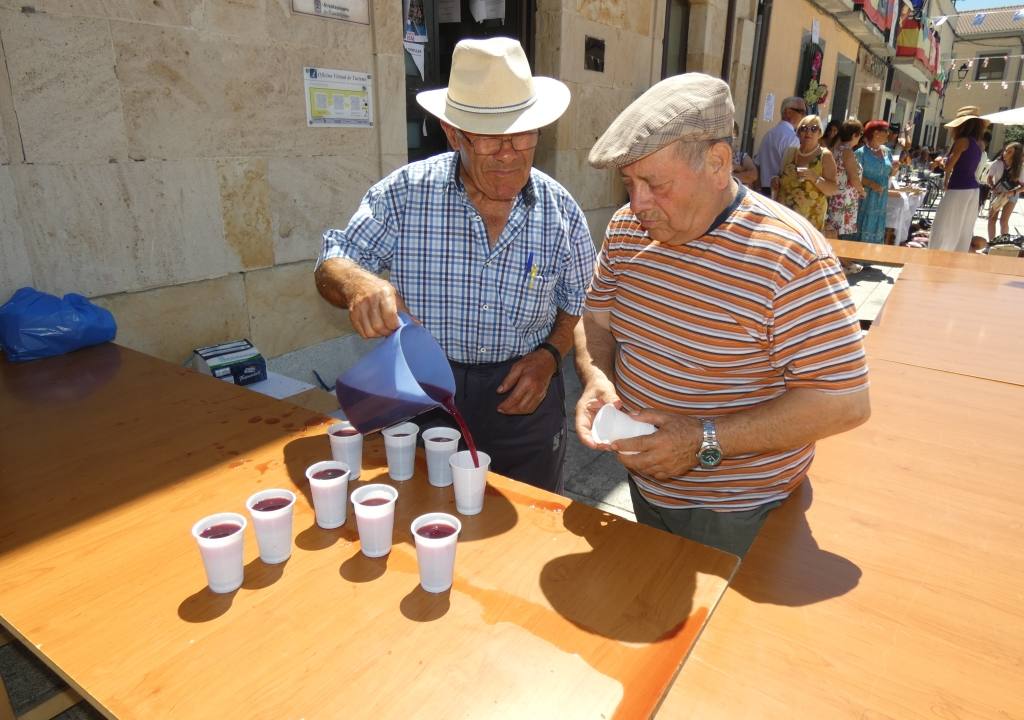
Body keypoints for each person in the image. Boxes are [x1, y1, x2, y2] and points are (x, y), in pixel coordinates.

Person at [574, 73, 871, 557]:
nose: (637, 203)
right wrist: (597, 377)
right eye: (629, 183)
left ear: (717, 163)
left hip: (739, 510)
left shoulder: (790, 256)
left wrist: (704, 440)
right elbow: (596, 319)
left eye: (654, 183)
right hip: (646, 490)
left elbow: (844, 402)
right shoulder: (628, 229)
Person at [314, 37, 597, 493]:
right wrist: (356, 283)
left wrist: (549, 356)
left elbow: (575, 302)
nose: (509, 152)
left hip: (524, 395)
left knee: (529, 522)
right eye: (489, 137)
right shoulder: (406, 194)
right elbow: (334, 260)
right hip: (419, 391)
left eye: (523, 133)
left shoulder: (561, 211)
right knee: (418, 512)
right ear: (453, 133)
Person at [931, 106, 987, 252]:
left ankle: (936, 257)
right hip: (973, 190)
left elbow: (949, 166)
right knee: (964, 228)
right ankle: (957, 258)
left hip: (959, 189)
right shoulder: (979, 143)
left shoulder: (962, 141)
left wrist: (940, 162)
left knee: (943, 225)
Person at [772, 114, 839, 232]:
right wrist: (775, 180)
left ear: (820, 133)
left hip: (810, 219)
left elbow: (833, 189)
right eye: (804, 128)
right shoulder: (790, 152)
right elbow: (780, 176)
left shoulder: (824, 155)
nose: (809, 132)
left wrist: (815, 178)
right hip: (785, 216)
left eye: (814, 128)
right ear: (798, 133)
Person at [854, 120, 897, 244]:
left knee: (877, 222)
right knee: (862, 222)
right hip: (865, 196)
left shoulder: (887, 152)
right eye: (886, 132)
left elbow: (888, 174)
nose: (888, 134)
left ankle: (872, 254)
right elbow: (854, 175)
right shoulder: (861, 153)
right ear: (876, 133)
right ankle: (857, 255)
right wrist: (871, 184)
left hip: (881, 197)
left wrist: (894, 170)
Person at [754, 96, 806, 196]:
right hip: (780, 193)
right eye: (801, 112)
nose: (803, 117)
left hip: (763, 192)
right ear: (788, 112)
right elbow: (791, 171)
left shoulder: (768, 134)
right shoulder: (792, 138)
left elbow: (757, 164)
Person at [826, 119, 865, 240]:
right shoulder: (847, 152)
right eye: (860, 134)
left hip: (835, 194)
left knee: (833, 230)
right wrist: (861, 191)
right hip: (844, 198)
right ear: (854, 135)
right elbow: (853, 177)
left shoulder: (836, 148)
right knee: (838, 234)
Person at [986, 142, 1024, 242]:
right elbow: (989, 178)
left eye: (1009, 151)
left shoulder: (1020, 167)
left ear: (1016, 155)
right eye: (1006, 150)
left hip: (1012, 195)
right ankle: (991, 243)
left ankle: (1003, 244)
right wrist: (992, 187)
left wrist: (1011, 193)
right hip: (997, 193)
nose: (1005, 153)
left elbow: (1023, 187)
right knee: (991, 219)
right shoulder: (997, 163)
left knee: (1004, 221)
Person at [731, 122, 758, 188]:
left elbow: (753, 175)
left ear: (737, 139)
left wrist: (731, 176)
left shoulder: (742, 157)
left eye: (732, 138)